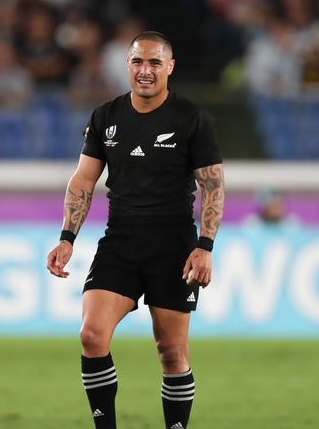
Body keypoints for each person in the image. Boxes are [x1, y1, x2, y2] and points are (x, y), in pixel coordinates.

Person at [47, 31, 225, 429]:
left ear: (170, 67)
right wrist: (66, 237)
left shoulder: (192, 119)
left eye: (155, 63)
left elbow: (211, 186)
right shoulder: (106, 116)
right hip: (120, 241)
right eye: (138, 62)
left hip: (174, 245)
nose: (145, 71)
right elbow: (82, 182)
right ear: (127, 65)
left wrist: (205, 245)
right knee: (92, 335)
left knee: (172, 352)